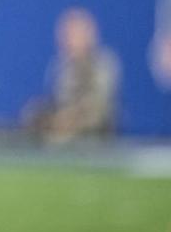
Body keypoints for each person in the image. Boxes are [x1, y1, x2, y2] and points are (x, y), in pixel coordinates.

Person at [24, 8, 120, 144]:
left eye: (74, 34)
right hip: (62, 126)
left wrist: (68, 120)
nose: (67, 40)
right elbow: (56, 100)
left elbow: (97, 108)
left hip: (93, 134)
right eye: (65, 34)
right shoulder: (60, 65)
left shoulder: (103, 64)